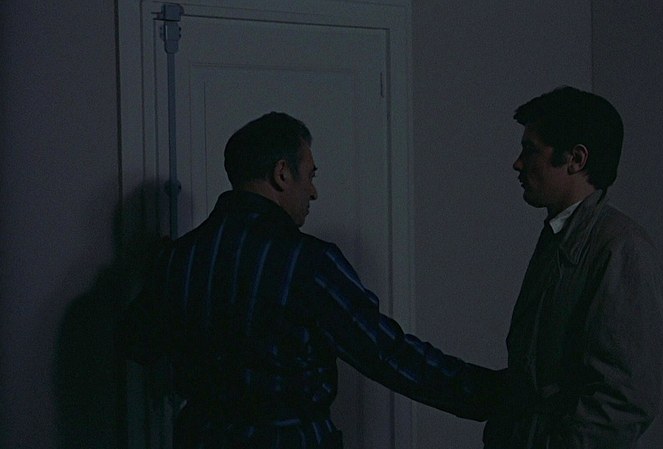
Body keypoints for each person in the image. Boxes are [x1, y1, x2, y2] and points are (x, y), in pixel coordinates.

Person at [121, 112, 503, 449]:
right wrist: (494, 395)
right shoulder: (308, 261)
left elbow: (139, 344)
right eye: (311, 175)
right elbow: (385, 353)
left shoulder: (178, 259)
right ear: (282, 173)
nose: (314, 191)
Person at [482, 86, 663, 448]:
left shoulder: (622, 249)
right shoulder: (561, 234)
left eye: (530, 150)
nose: (518, 163)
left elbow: (623, 404)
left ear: (576, 159)